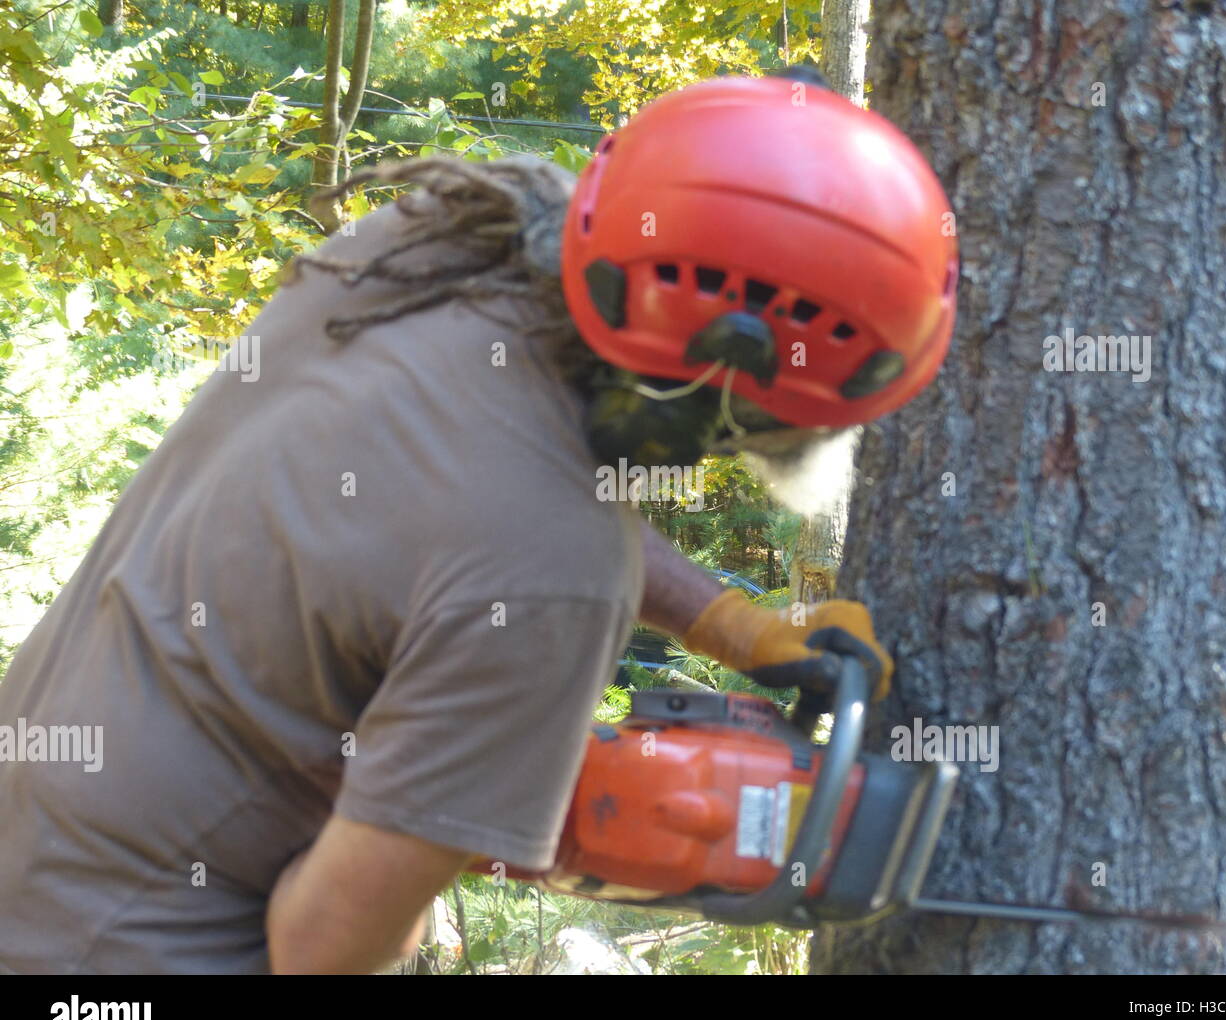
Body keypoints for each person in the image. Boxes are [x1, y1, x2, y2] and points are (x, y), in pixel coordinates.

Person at [0, 70, 956, 974]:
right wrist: (458, 816)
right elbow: (323, 947)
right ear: (742, 403)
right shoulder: (551, 578)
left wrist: (732, 625)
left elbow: (509, 488)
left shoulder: (447, 237)